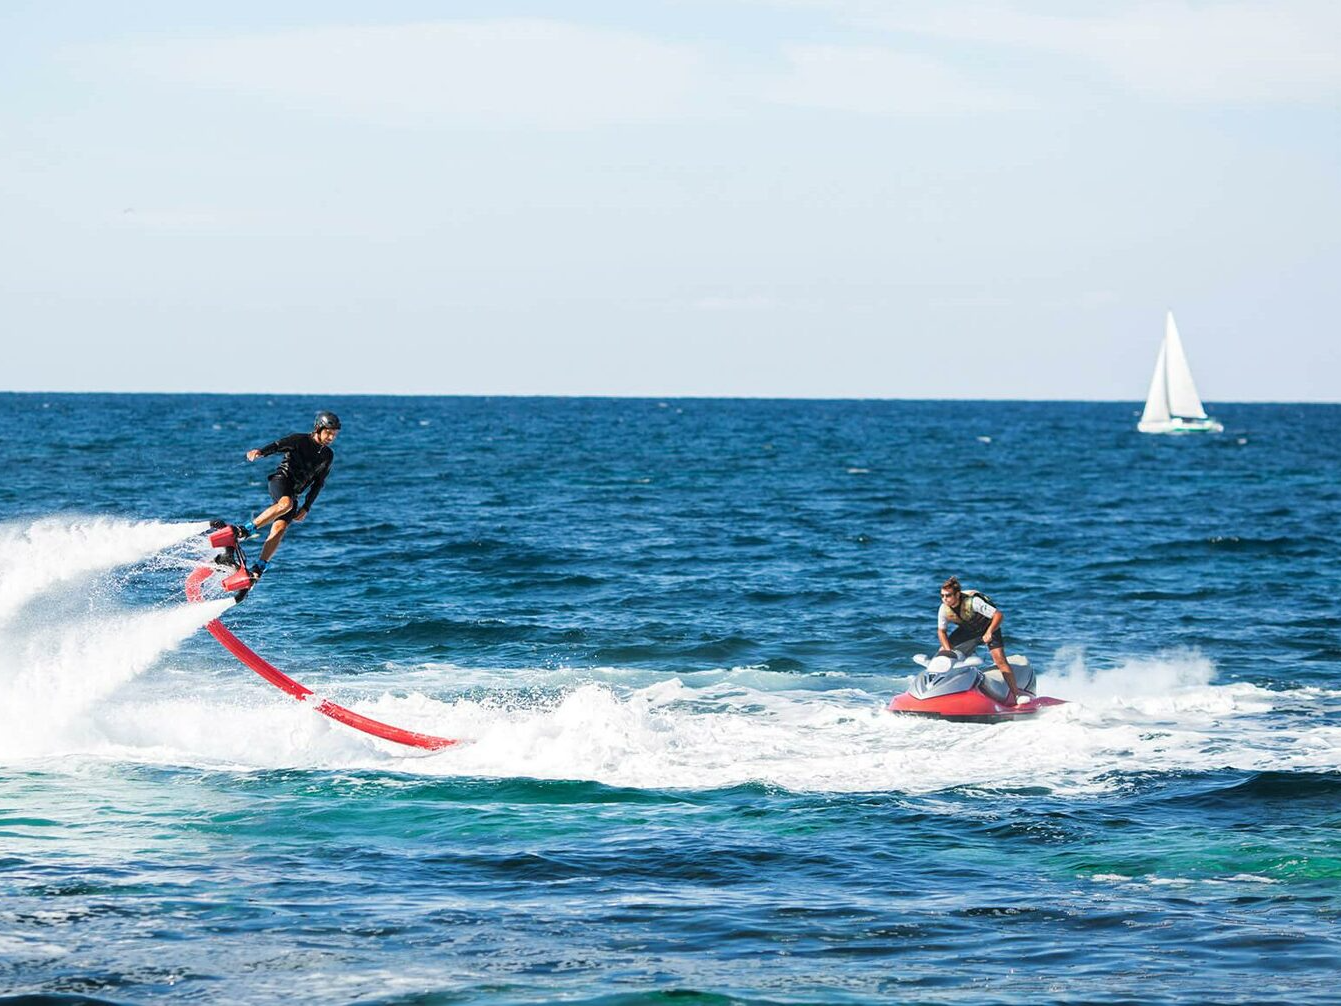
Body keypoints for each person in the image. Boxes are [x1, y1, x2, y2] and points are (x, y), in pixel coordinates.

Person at [230, 411, 341, 582]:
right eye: (328, 432)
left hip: (294, 494)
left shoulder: (328, 455)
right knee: (286, 504)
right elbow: (278, 445)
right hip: (281, 481)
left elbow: (318, 483)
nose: (331, 437)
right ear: (318, 428)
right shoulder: (300, 440)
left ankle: (259, 567)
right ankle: (244, 531)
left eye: (334, 434)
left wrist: (306, 507)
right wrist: (260, 452)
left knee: (280, 528)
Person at [936, 576, 1020, 702]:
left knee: (1000, 660)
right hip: (968, 630)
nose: (944, 599)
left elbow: (998, 615)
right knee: (943, 654)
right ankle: (941, 690)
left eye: (947, 595)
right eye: (942, 596)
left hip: (988, 627)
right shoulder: (943, 608)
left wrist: (989, 632)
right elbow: (941, 631)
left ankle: (1017, 695)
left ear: (957, 594)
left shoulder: (973, 602)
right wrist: (949, 652)